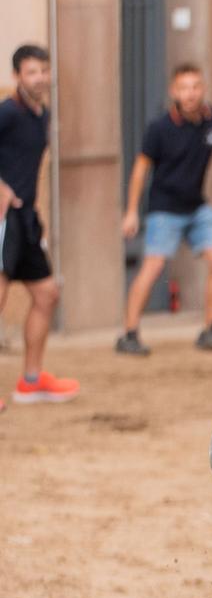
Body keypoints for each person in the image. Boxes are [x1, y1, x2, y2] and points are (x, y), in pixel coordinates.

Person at [118, 63, 212, 355]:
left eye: (195, 87)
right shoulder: (160, 128)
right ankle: (129, 333)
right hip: (164, 208)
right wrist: (131, 211)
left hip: (197, 207)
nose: (190, 94)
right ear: (174, 92)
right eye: (184, 88)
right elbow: (140, 170)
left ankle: (210, 328)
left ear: (203, 89)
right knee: (153, 267)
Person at [0, 44, 78, 407]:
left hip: (27, 219)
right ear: (17, 76)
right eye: (32, 72)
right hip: (3, 219)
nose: (40, 78)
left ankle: (30, 382)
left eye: (44, 70)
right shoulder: (8, 112)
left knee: (46, 294)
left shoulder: (40, 114)